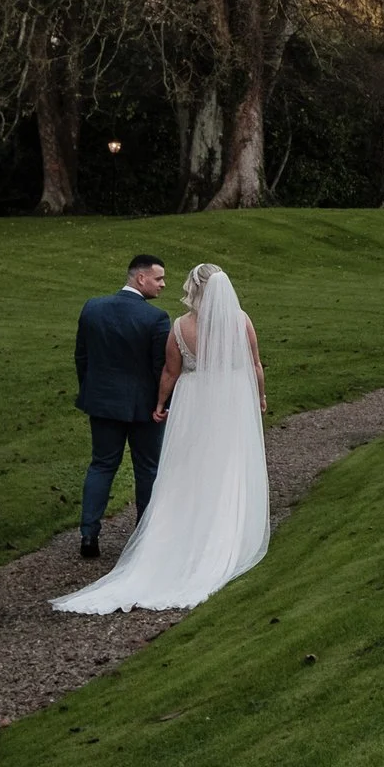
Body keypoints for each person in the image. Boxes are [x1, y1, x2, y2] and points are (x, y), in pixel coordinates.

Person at [54, 262, 271, 613]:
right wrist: (260, 396)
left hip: (179, 401)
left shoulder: (177, 325)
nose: (166, 284)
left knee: (172, 466)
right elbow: (255, 363)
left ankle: (96, 533)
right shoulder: (236, 320)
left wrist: (158, 401)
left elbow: (169, 371)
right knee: (216, 463)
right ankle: (215, 529)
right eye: (159, 278)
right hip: (228, 401)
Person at [73, 254, 172, 560]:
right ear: (140, 278)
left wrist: (91, 390)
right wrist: (162, 404)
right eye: (159, 278)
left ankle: (89, 533)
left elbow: (82, 357)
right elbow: (161, 368)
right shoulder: (156, 318)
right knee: (147, 469)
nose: (163, 285)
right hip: (143, 408)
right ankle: (144, 533)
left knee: (102, 465)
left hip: (102, 403)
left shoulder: (93, 308)